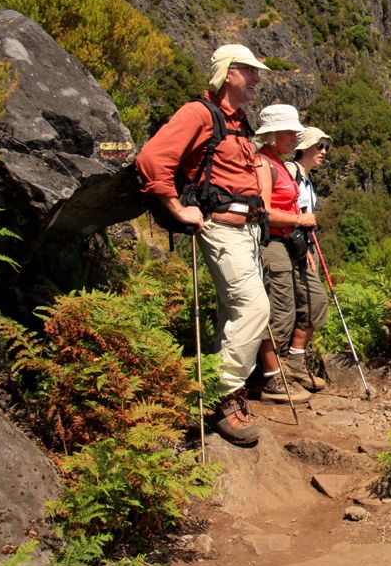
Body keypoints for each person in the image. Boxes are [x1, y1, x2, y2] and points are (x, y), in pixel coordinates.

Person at [136, 44, 270, 446]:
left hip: (245, 232)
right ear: (227, 73)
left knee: (234, 311)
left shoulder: (238, 121)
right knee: (254, 307)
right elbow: (152, 158)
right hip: (222, 230)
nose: (257, 79)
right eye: (249, 71)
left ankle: (219, 385)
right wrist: (177, 208)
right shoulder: (198, 113)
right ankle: (222, 396)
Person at [252, 106, 326, 403]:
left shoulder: (279, 163)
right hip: (273, 243)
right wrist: (300, 221)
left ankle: (292, 364)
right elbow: (263, 212)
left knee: (313, 302)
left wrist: (304, 239)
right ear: (271, 134)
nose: (295, 136)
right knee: (280, 310)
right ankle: (271, 378)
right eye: (289, 131)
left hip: (292, 243)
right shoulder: (263, 163)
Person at [280, 127, 333, 389]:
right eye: (318, 146)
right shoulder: (290, 172)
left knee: (307, 304)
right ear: (304, 147)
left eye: (325, 147)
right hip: (291, 245)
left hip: (304, 245)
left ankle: (293, 364)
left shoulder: (306, 178)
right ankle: (289, 366)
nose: (323, 152)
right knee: (313, 302)